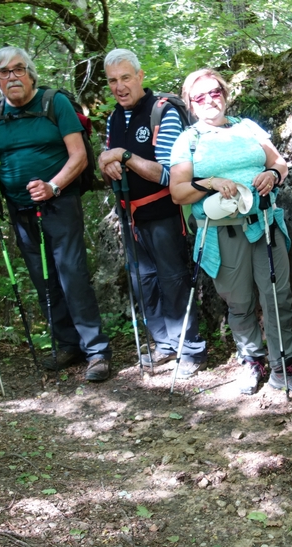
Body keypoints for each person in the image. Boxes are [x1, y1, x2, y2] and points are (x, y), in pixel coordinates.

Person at [170, 69, 292, 396]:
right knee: (239, 302)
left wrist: (272, 176)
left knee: (278, 297)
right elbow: (177, 192)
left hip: (264, 222)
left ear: (224, 94)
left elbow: (279, 162)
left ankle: (283, 367)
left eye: (215, 92)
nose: (210, 100)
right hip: (223, 233)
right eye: (200, 96)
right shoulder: (189, 140)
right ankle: (252, 361)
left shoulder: (247, 127)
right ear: (191, 104)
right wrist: (209, 183)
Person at [0, 46, 111, 382]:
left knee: (72, 274)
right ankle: (68, 344)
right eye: (4, 72)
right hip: (20, 209)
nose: (12, 77)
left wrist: (53, 186)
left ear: (30, 73)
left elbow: (78, 155)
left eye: (18, 69)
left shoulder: (54, 103)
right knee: (43, 278)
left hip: (59, 204)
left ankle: (96, 351)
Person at [97, 49, 207, 379]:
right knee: (143, 281)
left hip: (162, 212)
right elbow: (107, 167)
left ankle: (189, 348)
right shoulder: (112, 119)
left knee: (173, 278)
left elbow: (165, 174)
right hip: (129, 216)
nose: (120, 86)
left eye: (126, 78)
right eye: (113, 81)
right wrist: (109, 163)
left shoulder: (163, 112)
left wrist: (122, 155)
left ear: (140, 76)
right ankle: (163, 343)